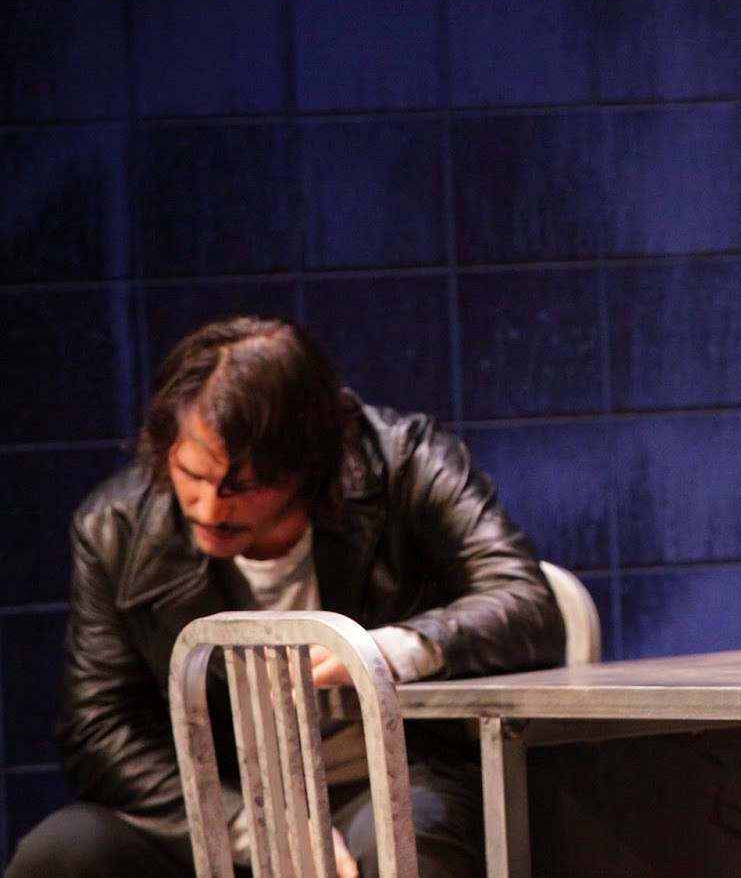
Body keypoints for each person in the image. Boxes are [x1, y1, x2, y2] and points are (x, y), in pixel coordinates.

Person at [6, 315, 567, 878]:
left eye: (243, 486)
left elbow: (524, 601)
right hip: (224, 795)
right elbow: (99, 728)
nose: (209, 508)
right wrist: (249, 826)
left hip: (393, 777)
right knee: (61, 854)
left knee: (409, 842)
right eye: (191, 475)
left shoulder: (404, 461)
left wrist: (384, 652)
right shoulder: (116, 527)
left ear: (306, 466)